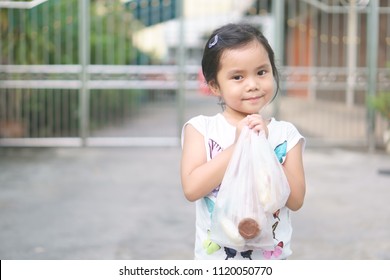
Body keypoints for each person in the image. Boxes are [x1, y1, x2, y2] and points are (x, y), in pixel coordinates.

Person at [180, 23, 306, 260]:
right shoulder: (200, 129)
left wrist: (264, 148)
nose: (253, 84)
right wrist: (238, 146)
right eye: (237, 76)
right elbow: (192, 188)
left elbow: (296, 199)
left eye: (261, 72)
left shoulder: (286, 134)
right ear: (215, 86)